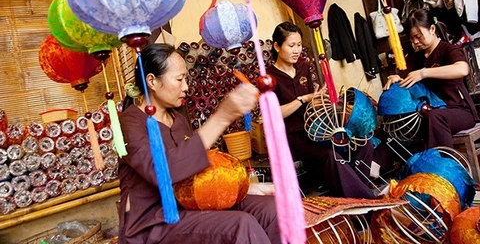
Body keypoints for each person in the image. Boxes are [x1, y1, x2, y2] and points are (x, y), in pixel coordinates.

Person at [118, 43, 280, 244]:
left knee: (271, 210)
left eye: (185, 78)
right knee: (240, 224)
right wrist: (221, 117)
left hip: (191, 205)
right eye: (179, 79)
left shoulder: (178, 119)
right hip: (153, 222)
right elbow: (161, 171)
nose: (186, 87)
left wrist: (244, 188)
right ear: (152, 80)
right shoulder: (130, 121)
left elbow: (197, 175)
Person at [266, 21, 375, 199]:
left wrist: (323, 101)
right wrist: (303, 99)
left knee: (362, 144)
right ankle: (366, 200)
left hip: (317, 131)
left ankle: (359, 195)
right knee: (331, 155)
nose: (297, 50)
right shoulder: (269, 78)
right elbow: (272, 115)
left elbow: (313, 102)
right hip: (292, 138)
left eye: (299, 45)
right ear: (277, 46)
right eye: (291, 45)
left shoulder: (303, 68)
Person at [383, 9, 479, 148]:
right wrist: (396, 79)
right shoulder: (416, 58)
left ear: (432, 29)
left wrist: (424, 73)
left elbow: (462, 69)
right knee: (397, 124)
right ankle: (374, 166)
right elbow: (407, 78)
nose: (415, 42)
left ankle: (442, 165)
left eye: (419, 36)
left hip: (460, 111)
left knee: (435, 117)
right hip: (431, 113)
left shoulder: (448, 50)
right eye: (412, 38)